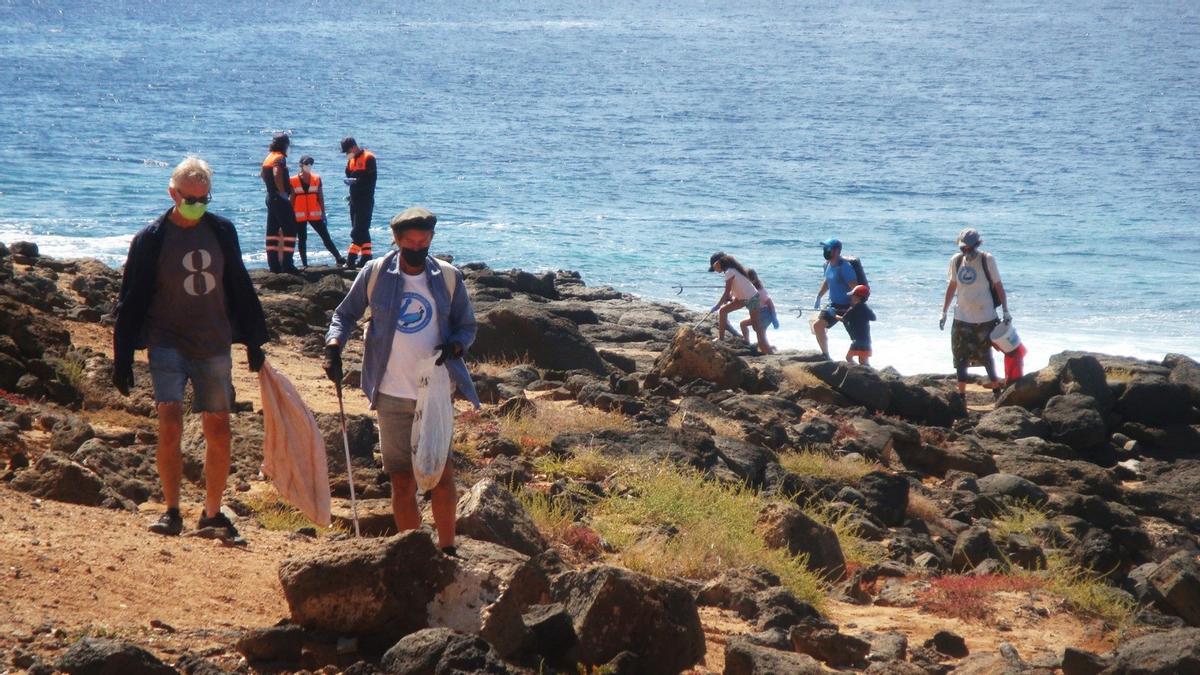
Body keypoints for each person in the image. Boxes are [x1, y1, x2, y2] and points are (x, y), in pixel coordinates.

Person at [112, 157, 269, 542]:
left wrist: (253, 340)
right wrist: (123, 356)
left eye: (204, 198)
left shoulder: (221, 231)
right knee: (169, 423)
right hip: (167, 342)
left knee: (219, 428)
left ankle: (212, 513)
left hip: (213, 344)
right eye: (189, 198)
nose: (197, 205)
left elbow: (238, 284)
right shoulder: (151, 238)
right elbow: (130, 297)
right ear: (173, 193)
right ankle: (171, 511)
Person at [323, 207, 480, 555]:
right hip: (391, 392)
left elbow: (467, 326)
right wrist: (334, 347)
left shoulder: (449, 277)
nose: (417, 248)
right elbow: (344, 314)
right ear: (396, 241)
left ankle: (448, 549)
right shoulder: (376, 273)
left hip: (436, 391)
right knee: (402, 480)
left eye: (424, 242)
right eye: (410, 242)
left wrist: (456, 346)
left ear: (431, 240)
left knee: (441, 475)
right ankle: (415, 552)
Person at [940, 228, 1011, 394]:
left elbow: (999, 286)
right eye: (963, 248)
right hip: (961, 316)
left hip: (985, 317)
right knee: (960, 358)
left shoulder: (987, 259)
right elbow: (952, 286)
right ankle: (961, 395)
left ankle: (996, 392)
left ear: (977, 245)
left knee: (986, 356)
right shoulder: (956, 261)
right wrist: (943, 312)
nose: (966, 251)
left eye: (969, 248)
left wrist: (1006, 311)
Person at [811, 238, 864, 358]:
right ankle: (826, 355)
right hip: (833, 304)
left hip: (847, 306)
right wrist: (819, 296)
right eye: (825, 248)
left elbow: (855, 289)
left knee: (857, 338)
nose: (825, 251)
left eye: (828, 248)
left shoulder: (845, 267)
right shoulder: (827, 265)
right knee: (818, 326)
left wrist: (852, 309)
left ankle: (861, 364)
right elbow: (827, 281)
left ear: (836, 251)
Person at [710, 252, 771, 355]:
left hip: (752, 298)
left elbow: (726, 292)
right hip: (742, 299)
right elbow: (737, 289)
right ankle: (721, 339)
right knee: (723, 311)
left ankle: (766, 349)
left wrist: (717, 305)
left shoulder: (730, 272)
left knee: (756, 327)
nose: (714, 270)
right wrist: (730, 298)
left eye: (714, 267)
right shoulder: (731, 271)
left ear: (718, 263)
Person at [290, 155, 346, 268]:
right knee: (302, 239)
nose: (308, 166)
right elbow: (292, 199)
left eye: (310, 164)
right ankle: (305, 264)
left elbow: (320, 197)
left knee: (325, 237)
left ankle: (339, 258)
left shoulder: (316, 178)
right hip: (299, 215)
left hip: (314, 214)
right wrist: (289, 215)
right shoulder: (293, 180)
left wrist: (323, 213)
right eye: (306, 164)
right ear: (301, 165)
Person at [262, 133, 298, 273]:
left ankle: (273, 264)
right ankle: (287, 264)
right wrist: (282, 192)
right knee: (290, 230)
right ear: (285, 145)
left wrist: (271, 189)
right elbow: (277, 173)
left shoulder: (268, 157)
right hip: (279, 198)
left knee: (272, 231)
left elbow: (263, 175)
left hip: (270, 197)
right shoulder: (279, 158)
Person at [341, 137, 377, 268]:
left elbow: (370, 179)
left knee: (357, 231)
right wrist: (350, 179)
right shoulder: (351, 160)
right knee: (362, 229)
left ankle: (351, 259)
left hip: (365, 199)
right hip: (354, 199)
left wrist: (357, 180)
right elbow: (348, 174)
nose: (346, 154)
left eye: (347, 151)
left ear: (353, 147)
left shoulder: (369, 158)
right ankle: (366, 257)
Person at [838, 284, 876, 365]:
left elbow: (843, 319)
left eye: (853, 295)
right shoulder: (865, 308)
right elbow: (873, 318)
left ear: (858, 297)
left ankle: (858, 371)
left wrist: (833, 314)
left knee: (849, 358)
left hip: (857, 341)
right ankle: (868, 374)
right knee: (863, 361)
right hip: (866, 340)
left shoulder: (853, 309)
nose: (851, 297)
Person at [740, 268, 780, 345]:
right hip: (761, 314)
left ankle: (748, 342)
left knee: (760, 334)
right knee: (760, 334)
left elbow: (770, 304)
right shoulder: (754, 290)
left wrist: (774, 318)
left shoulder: (759, 291)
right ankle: (748, 342)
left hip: (764, 315)